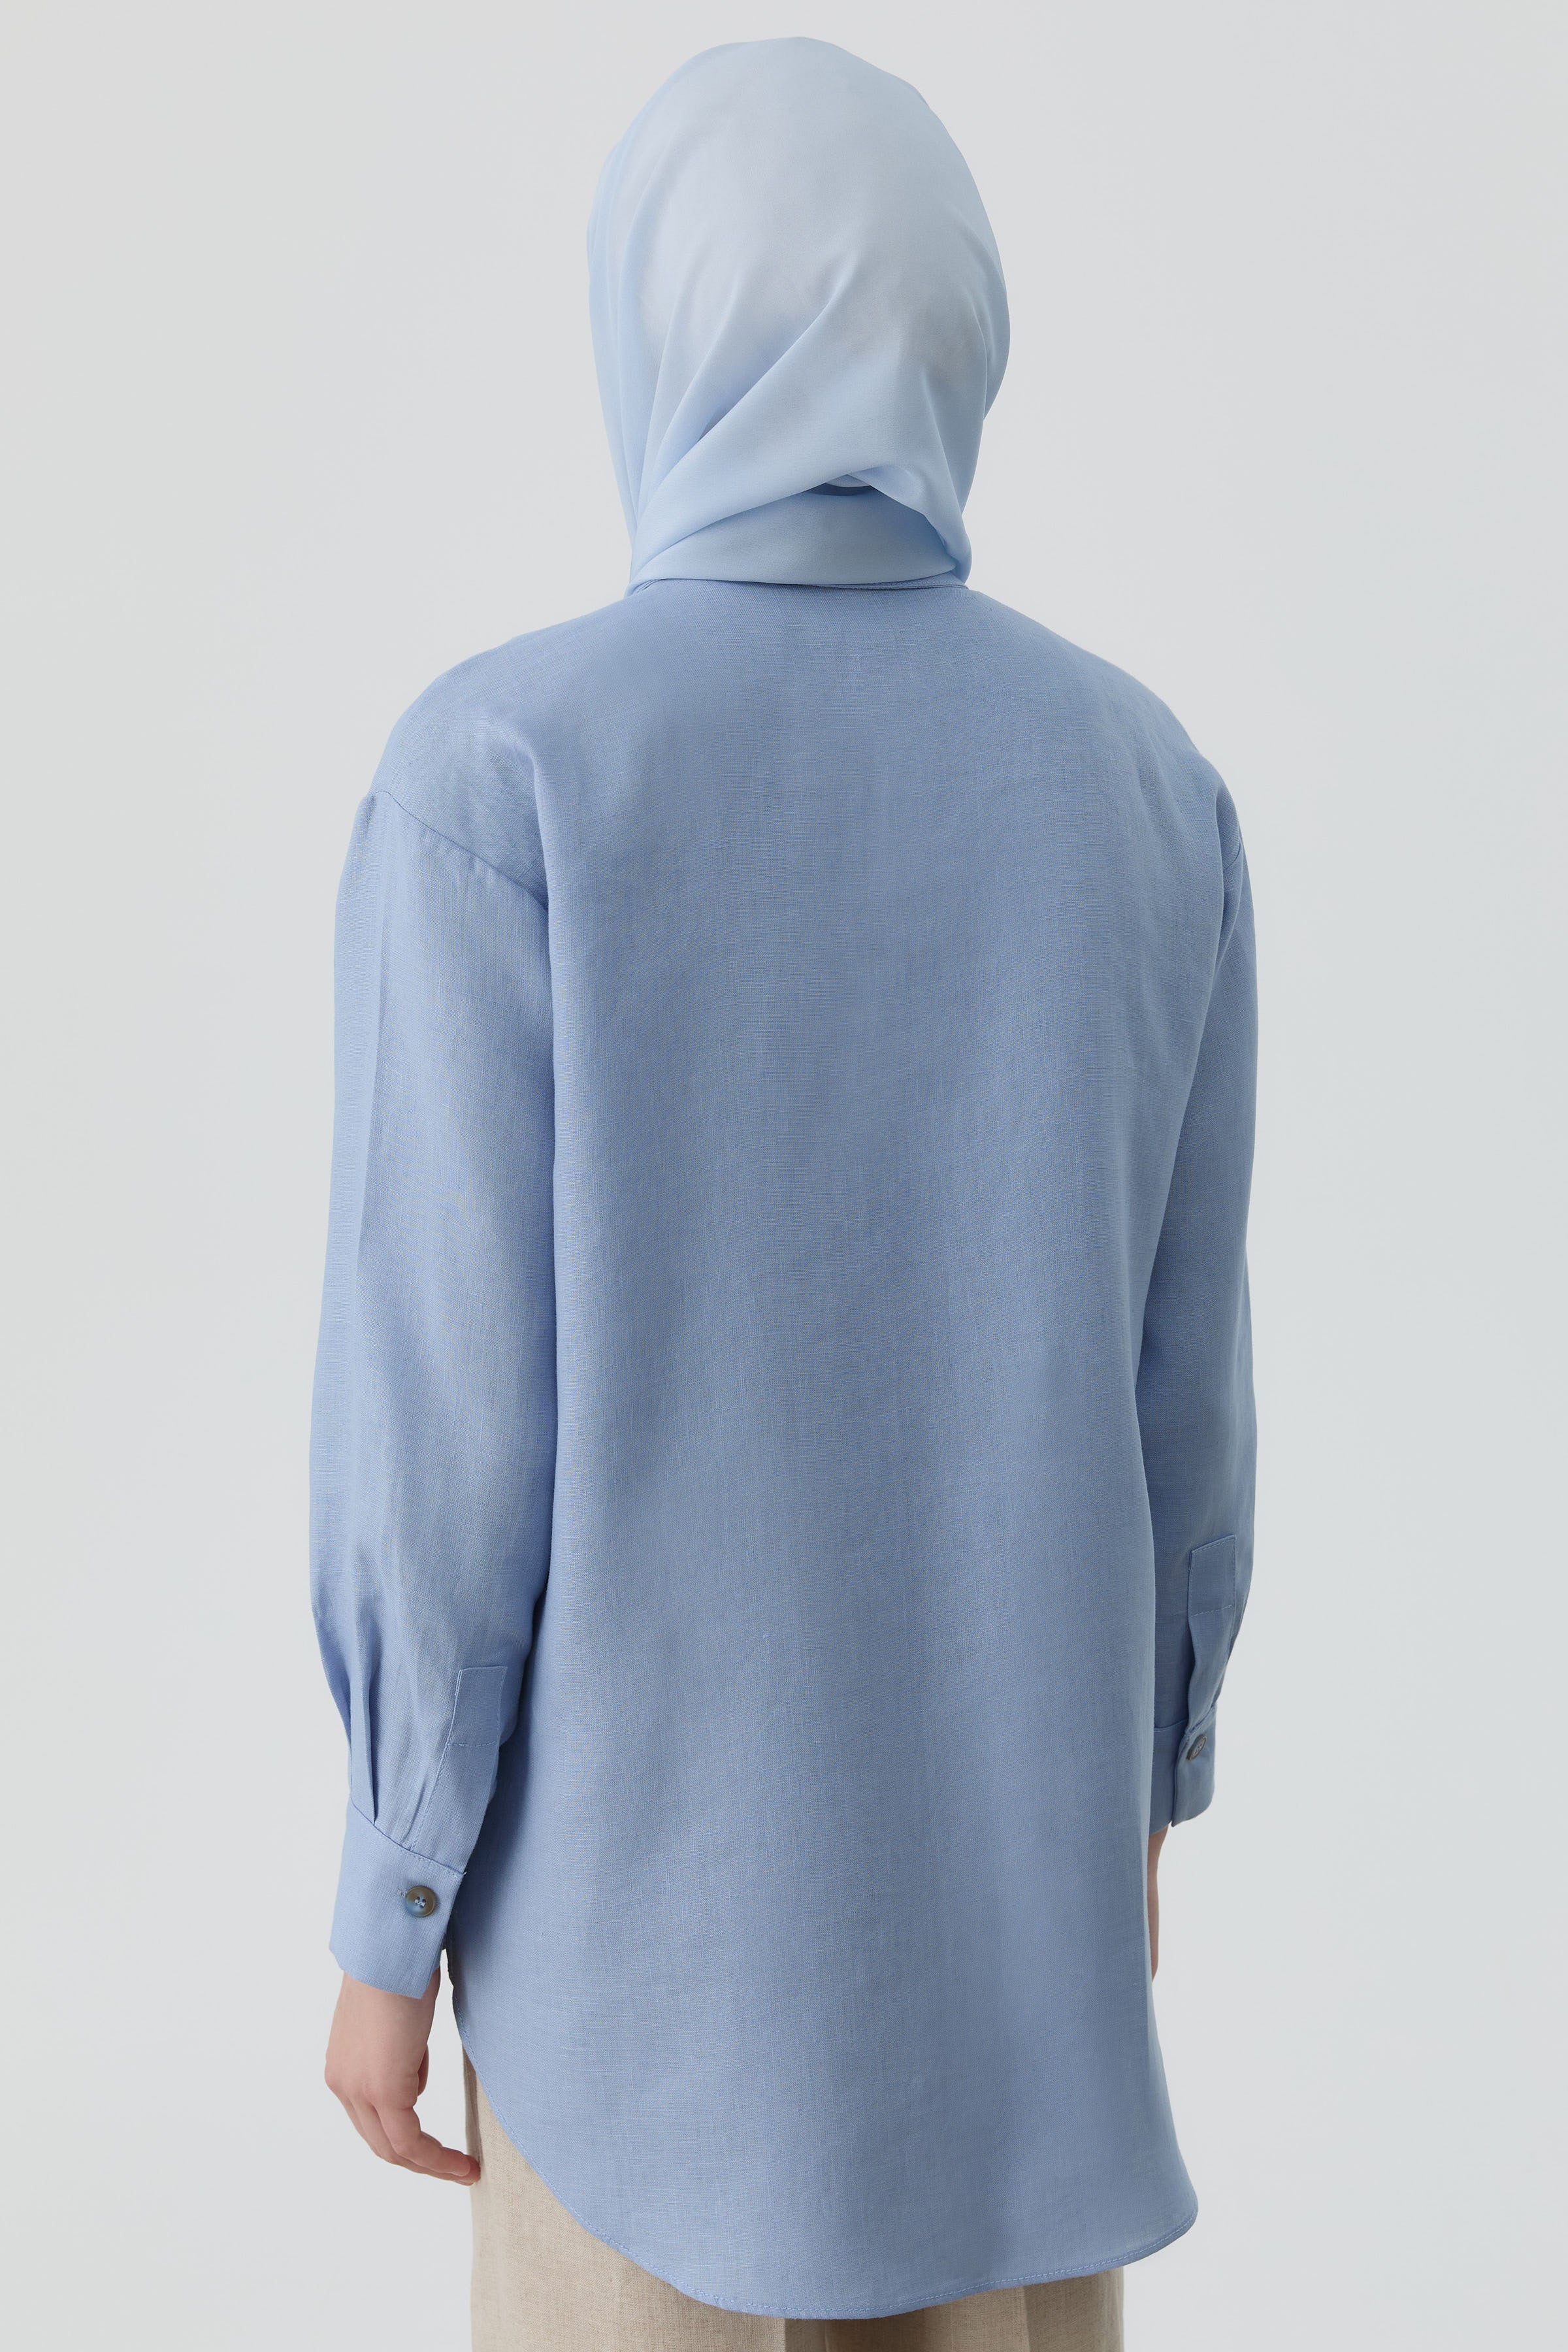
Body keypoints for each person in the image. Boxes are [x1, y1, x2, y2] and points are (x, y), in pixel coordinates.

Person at [313, 37, 1257, 2352]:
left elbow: (450, 1436)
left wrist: (391, 1900)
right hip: (1021, 1987)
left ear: (647, 317)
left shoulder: (502, 778)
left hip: (634, 2007)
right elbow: (1185, 1406)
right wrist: (1143, 1792)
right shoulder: (1150, 791)